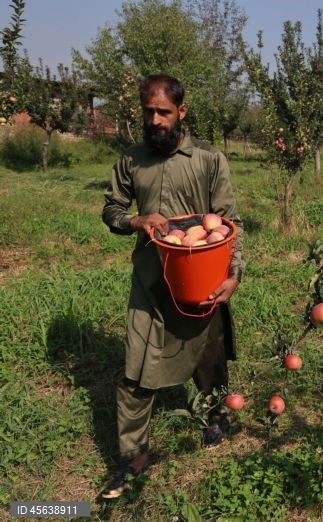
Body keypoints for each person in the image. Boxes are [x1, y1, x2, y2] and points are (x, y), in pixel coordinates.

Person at [100, 73, 244, 499]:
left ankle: (217, 414)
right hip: (150, 279)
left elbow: (229, 217)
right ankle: (135, 454)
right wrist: (134, 221)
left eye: (164, 111)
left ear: (182, 111)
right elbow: (111, 209)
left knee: (208, 351)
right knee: (135, 367)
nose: (156, 120)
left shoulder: (208, 159)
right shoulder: (131, 160)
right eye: (149, 111)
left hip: (201, 277)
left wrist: (233, 274)